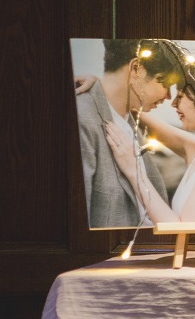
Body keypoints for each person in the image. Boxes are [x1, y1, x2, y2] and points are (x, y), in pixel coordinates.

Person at [104, 60, 195, 224]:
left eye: (180, 96)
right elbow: (147, 122)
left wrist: (134, 171)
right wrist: (100, 87)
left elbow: (183, 230)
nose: (174, 104)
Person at [76, 39, 187, 228]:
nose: (169, 97)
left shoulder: (130, 121)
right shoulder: (83, 120)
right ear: (136, 68)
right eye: (165, 83)